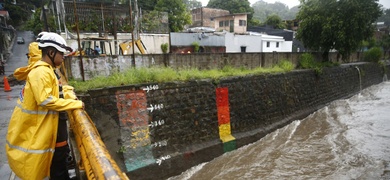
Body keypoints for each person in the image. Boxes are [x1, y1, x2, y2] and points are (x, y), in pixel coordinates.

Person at [5, 32, 84, 180]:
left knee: (58, 167)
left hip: (49, 130)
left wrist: (69, 94)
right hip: (43, 131)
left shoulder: (47, 71)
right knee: (58, 170)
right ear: (51, 52)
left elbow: (58, 91)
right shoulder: (41, 72)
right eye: (61, 53)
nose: (63, 57)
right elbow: (46, 100)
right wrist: (76, 103)